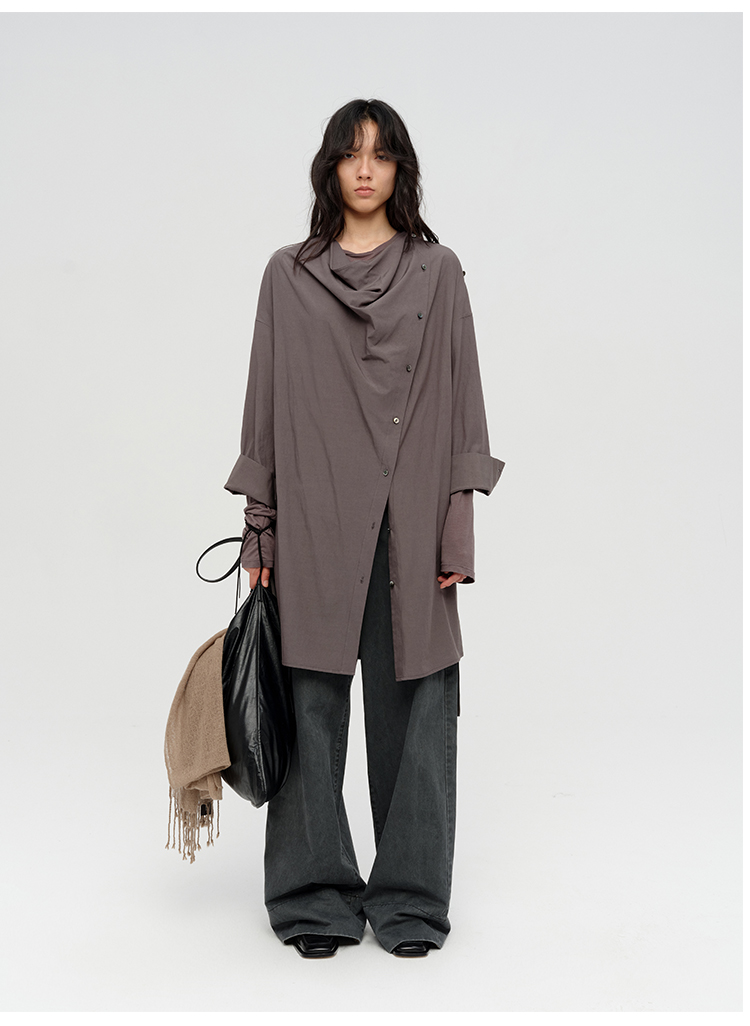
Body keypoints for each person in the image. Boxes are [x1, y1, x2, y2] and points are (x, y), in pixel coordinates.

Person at [224, 98, 504, 958]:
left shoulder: (437, 271)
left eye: (381, 154)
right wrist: (260, 530)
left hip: (410, 519)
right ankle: (313, 896)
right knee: (308, 707)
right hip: (313, 517)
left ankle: (411, 901)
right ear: (330, 167)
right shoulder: (288, 274)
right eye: (351, 153)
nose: (365, 169)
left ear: (400, 169)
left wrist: (456, 530)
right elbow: (265, 405)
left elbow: (463, 402)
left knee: (419, 709)